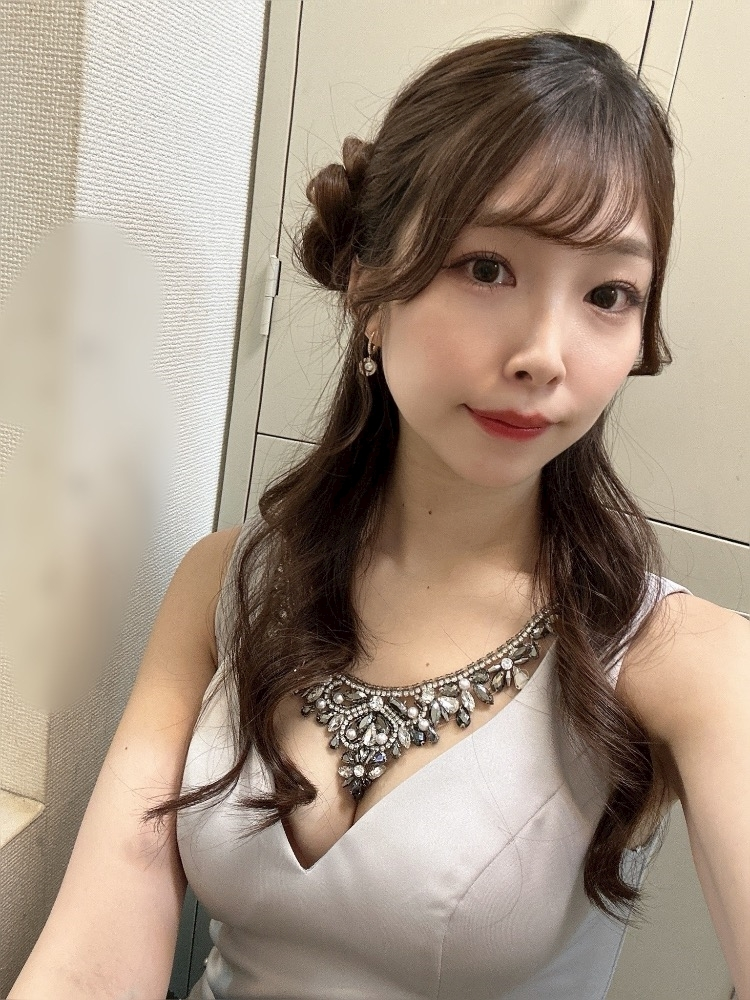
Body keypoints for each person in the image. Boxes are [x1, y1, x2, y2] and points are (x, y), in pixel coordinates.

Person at [10, 29, 750, 1000]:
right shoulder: (228, 582)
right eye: (486, 267)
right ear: (367, 282)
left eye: (608, 294)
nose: (544, 353)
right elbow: (94, 954)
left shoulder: (682, 658)